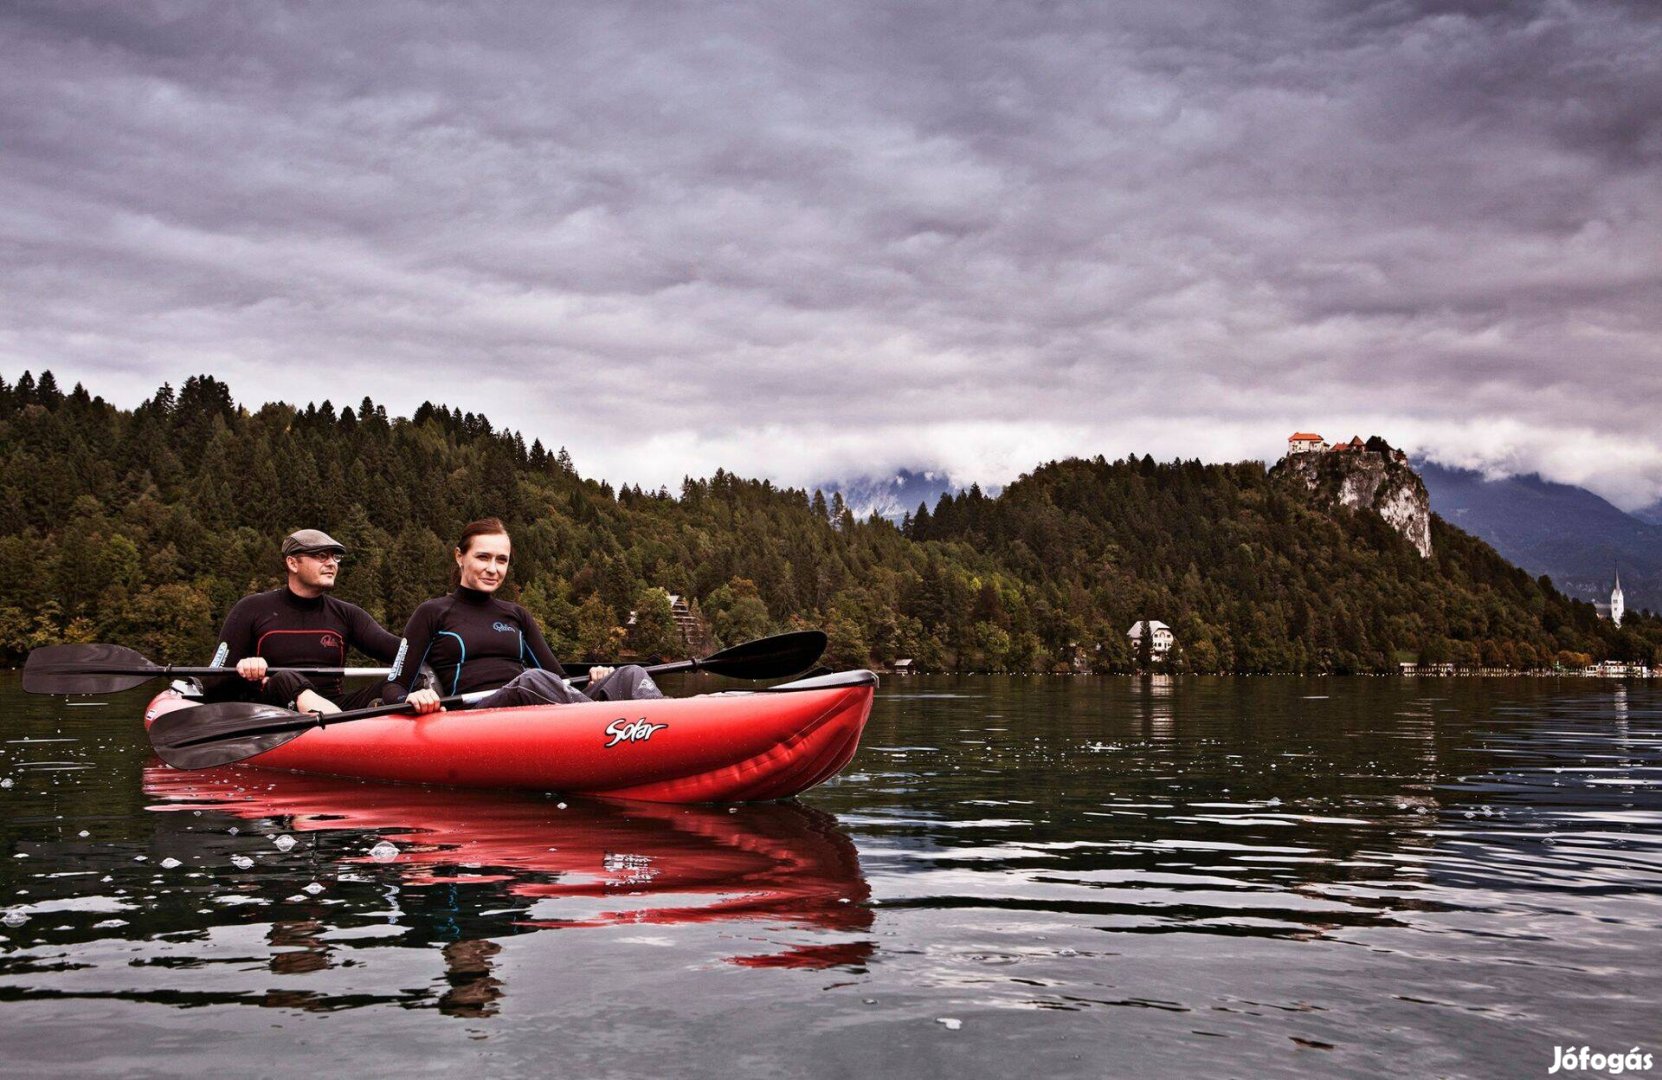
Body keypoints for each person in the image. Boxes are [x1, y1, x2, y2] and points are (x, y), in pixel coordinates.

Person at [381, 517, 663, 714]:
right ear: (459, 557)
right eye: (483, 557)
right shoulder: (432, 613)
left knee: (630, 674)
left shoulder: (516, 615)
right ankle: (612, 725)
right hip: (474, 717)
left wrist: (595, 679)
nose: (493, 569)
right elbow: (394, 685)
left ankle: (665, 722)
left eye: (501, 560)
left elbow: (559, 680)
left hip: (532, 710)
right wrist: (414, 698)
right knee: (531, 680)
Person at [208, 529, 402, 714]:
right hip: (273, 714)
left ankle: (343, 725)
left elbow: (403, 651)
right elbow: (215, 680)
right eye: (321, 556)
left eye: (335, 557)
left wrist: (428, 639)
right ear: (293, 563)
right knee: (284, 677)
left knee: (407, 681)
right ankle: (341, 726)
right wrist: (246, 669)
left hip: (335, 708)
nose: (332, 563)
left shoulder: (347, 614)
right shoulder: (250, 609)